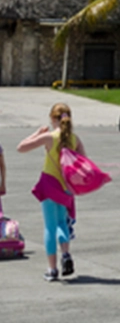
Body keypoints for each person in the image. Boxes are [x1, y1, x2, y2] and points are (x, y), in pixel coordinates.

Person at [17, 102, 84, 281]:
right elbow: (84, 161)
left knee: (49, 226)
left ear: (53, 119)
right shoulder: (75, 139)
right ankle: (66, 254)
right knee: (62, 222)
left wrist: (38, 133)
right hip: (65, 186)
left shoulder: (49, 137)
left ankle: (52, 268)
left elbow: (21, 147)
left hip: (49, 183)